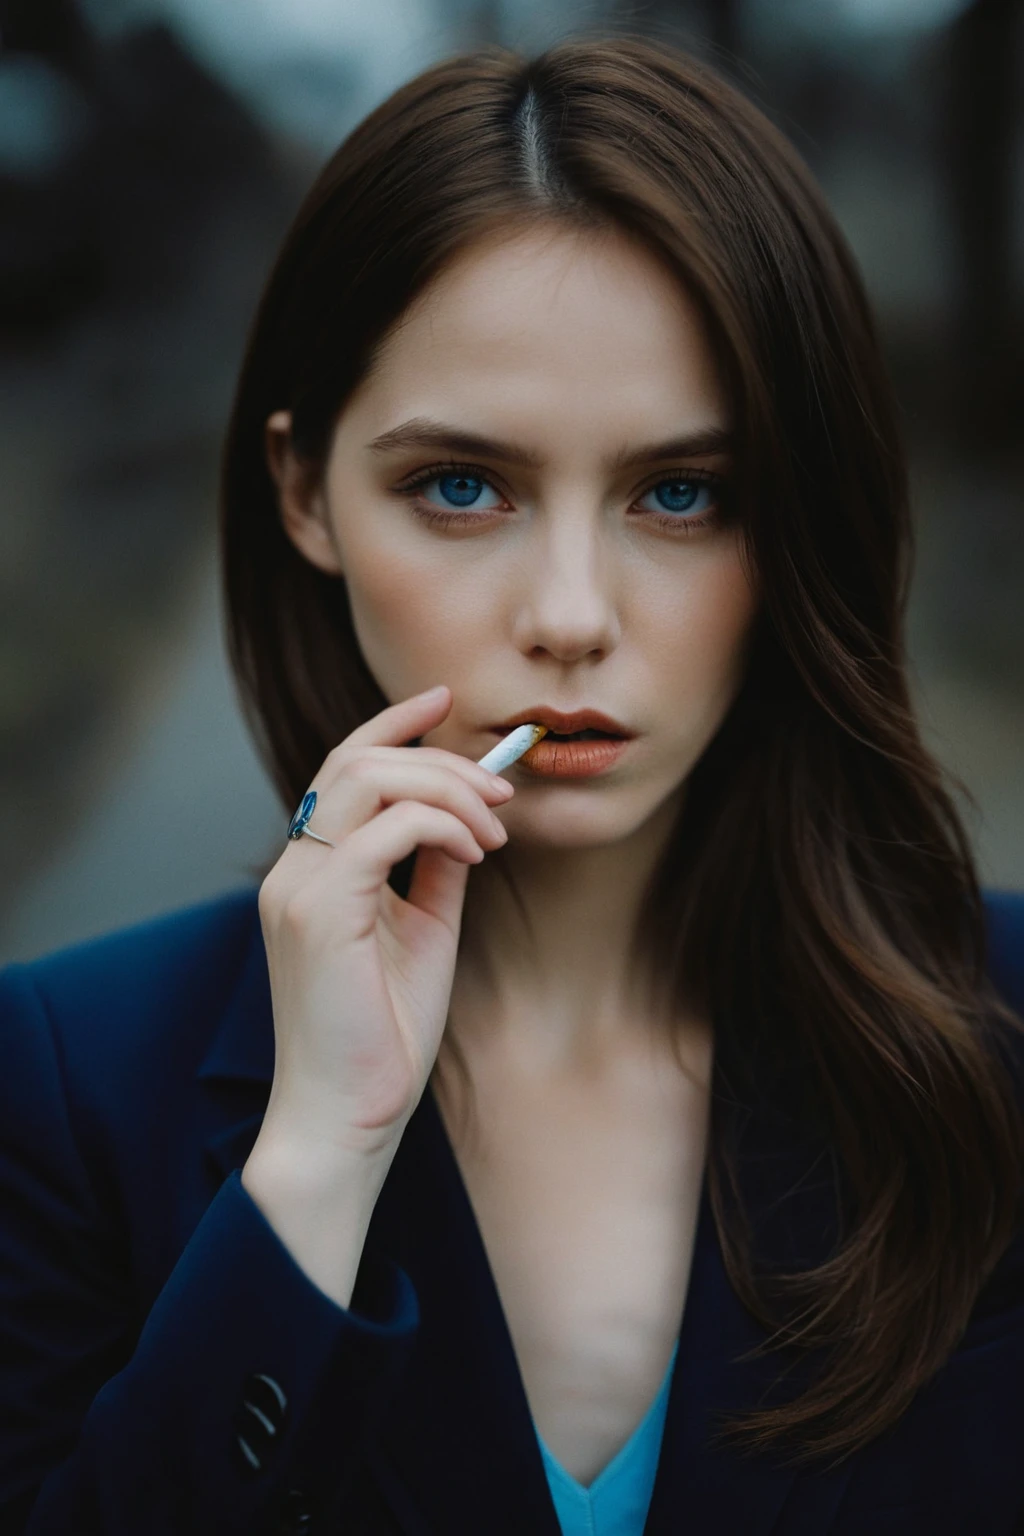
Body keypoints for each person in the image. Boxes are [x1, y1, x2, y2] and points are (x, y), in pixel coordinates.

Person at [2, 33, 1023, 1536]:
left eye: (683, 493)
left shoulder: (1004, 1034)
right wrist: (308, 1176)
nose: (570, 613)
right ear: (302, 492)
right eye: (461, 486)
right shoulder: (65, 1086)